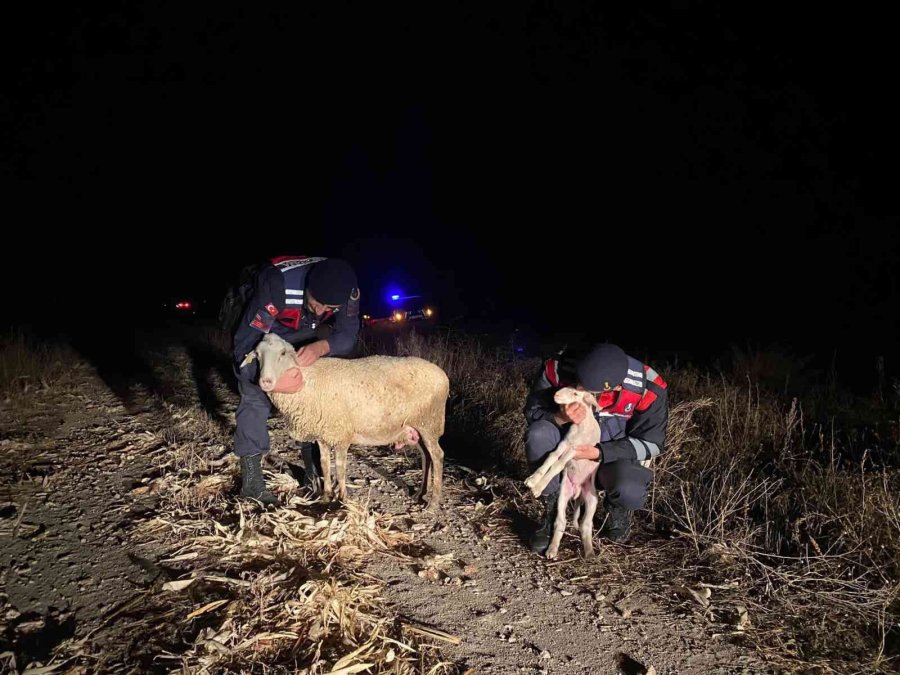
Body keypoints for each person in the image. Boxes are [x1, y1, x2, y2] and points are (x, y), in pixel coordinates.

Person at [230, 255, 361, 504]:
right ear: (307, 288)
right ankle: (252, 482)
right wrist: (268, 379)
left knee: (314, 399)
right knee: (255, 397)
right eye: (318, 303)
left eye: (330, 308)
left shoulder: (347, 289)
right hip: (265, 335)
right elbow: (242, 349)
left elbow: (348, 335)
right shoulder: (276, 284)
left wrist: (322, 347)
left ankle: (313, 471)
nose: (322, 311)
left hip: (306, 332)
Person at [524, 343, 668, 549]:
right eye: (578, 383)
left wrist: (601, 452)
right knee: (538, 434)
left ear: (617, 387)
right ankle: (552, 510)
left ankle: (615, 509)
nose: (580, 390)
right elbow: (532, 411)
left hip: (611, 455)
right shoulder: (557, 368)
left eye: (589, 390)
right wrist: (561, 417)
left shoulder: (649, 387)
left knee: (630, 488)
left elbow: (652, 444)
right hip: (566, 450)